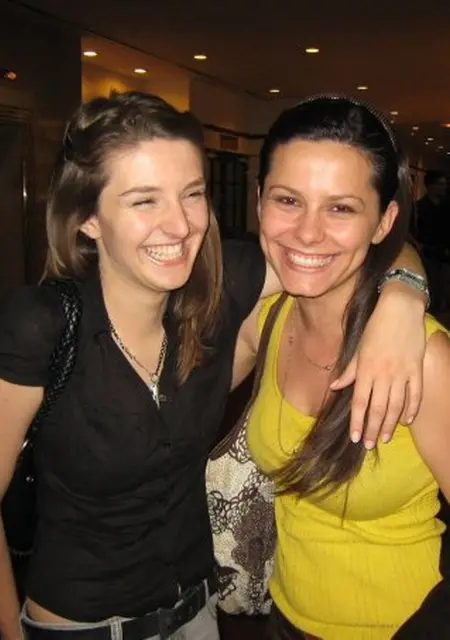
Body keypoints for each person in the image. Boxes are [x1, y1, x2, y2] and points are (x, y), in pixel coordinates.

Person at [0, 91, 427, 639]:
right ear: (87, 218)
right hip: (83, 625)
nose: (179, 225)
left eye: (192, 194)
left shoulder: (226, 290)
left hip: (200, 615)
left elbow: (356, 243)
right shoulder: (42, 324)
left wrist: (403, 299)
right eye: (144, 201)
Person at [242, 94, 450, 639]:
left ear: (384, 222)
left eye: (341, 208)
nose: (308, 232)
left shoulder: (427, 358)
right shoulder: (263, 319)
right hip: (283, 618)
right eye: (289, 200)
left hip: (400, 625)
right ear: (259, 201)